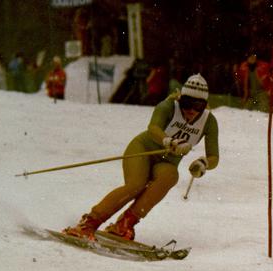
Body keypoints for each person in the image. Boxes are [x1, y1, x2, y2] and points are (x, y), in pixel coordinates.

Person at [63, 74, 219, 241]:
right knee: (135, 185)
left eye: (198, 106)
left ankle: (125, 224)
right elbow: (153, 128)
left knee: (170, 176)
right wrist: (168, 140)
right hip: (143, 150)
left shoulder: (208, 122)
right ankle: (89, 222)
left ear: (204, 106)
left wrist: (203, 163)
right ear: (180, 98)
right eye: (187, 103)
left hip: (167, 161)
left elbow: (214, 156)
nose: (192, 110)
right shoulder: (168, 106)